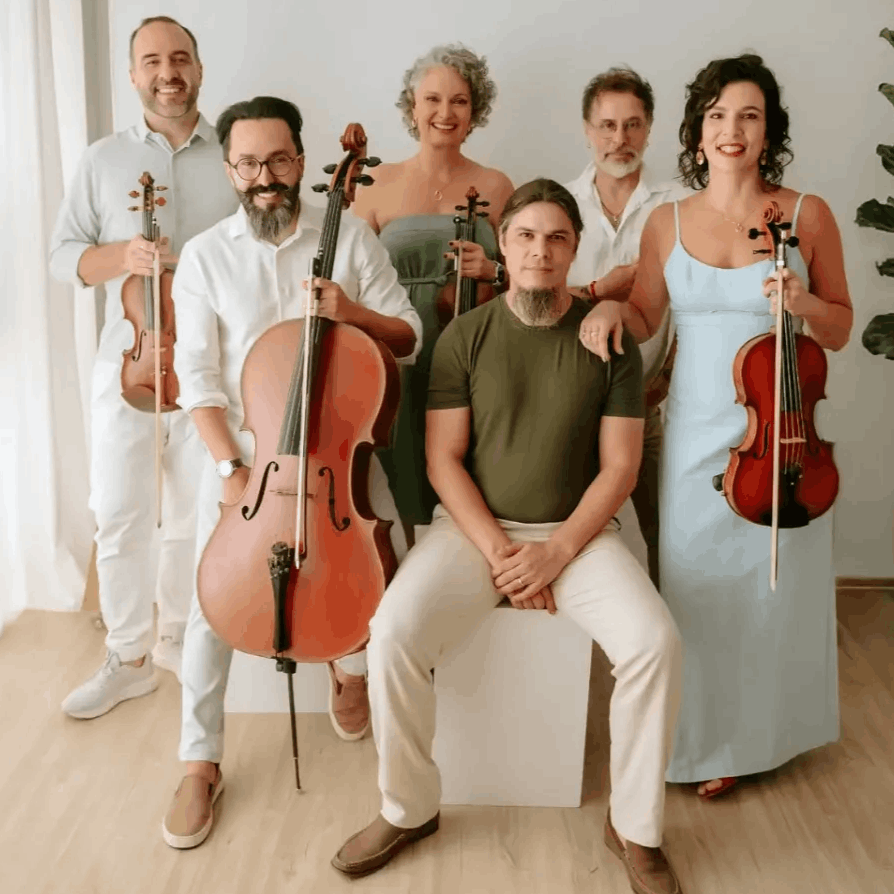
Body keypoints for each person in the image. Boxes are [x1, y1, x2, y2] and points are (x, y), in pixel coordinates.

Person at [333, 179, 685, 894]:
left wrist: (554, 553)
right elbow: (443, 460)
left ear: (575, 249)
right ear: (503, 244)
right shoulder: (465, 336)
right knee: (393, 632)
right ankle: (408, 808)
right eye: (525, 236)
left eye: (556, 238)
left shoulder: (608, 339)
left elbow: (620, 468)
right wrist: (500, 553)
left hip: (579, 536)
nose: (540, 251)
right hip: (472, 532)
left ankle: (634, 826)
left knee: (655, 643)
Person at [579, 54, 852, 800]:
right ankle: (701, 737)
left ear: (769, 131)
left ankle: (762, 737)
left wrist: (802, 303)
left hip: (786, 440)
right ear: (698, 133)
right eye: (718, 115)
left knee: (774, 591)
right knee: (697, 588)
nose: (733, 129)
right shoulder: (666, 223)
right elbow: (646, 316)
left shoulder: (807, 215)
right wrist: (611, 307)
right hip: (697, 436)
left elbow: (839, 329)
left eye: (749, 116)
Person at [161, 96, 422, 850]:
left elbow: (407, 336)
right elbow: (196, 378)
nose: (264, 176)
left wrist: (352, 313)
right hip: (247, 458)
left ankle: (350, 668)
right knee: (210, 596)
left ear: (302, 162)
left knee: (381, 575)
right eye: (248, 163)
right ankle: (199, 761)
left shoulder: (351, 240)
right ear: (229, 170)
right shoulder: (205, 256)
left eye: (277, 160)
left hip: (340, 452)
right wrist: (229, 468)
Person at [49, 16, 237, 717]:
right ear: (133, 75)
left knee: (194, 515)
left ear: (199, 68)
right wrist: (121, 256)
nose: (168, 73)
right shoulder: (103, 160)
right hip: (127, 363)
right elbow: (63, 257)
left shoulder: (234, 154)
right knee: (120, 513)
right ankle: (127, 656)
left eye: (180, 58)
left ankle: (180, 641)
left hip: (209, 364)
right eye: (152, 61)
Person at [352, 44, 515, 546]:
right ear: (412, 107)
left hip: (476, 354)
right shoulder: (375, 182)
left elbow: (526, 276)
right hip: (397, 352)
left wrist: (494, 270)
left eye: (460, 101)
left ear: (474, 111)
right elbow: (351, 279)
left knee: (475, 478)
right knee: (400, 481)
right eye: (433, 99)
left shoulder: (496, 185)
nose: (445, 112)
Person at [564, 67, 689, 589]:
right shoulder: (559, 204)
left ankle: (673, 626)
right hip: (570, 401)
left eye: (633, 124)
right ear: (587, 130)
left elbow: (691, 307)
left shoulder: (680, 205)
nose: (620, 139)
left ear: (650, 128)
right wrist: (599, 289)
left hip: (650, 399)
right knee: (568, 530)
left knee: (670, 531)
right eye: (608, 125)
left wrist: (667, 382)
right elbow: (537, 298)